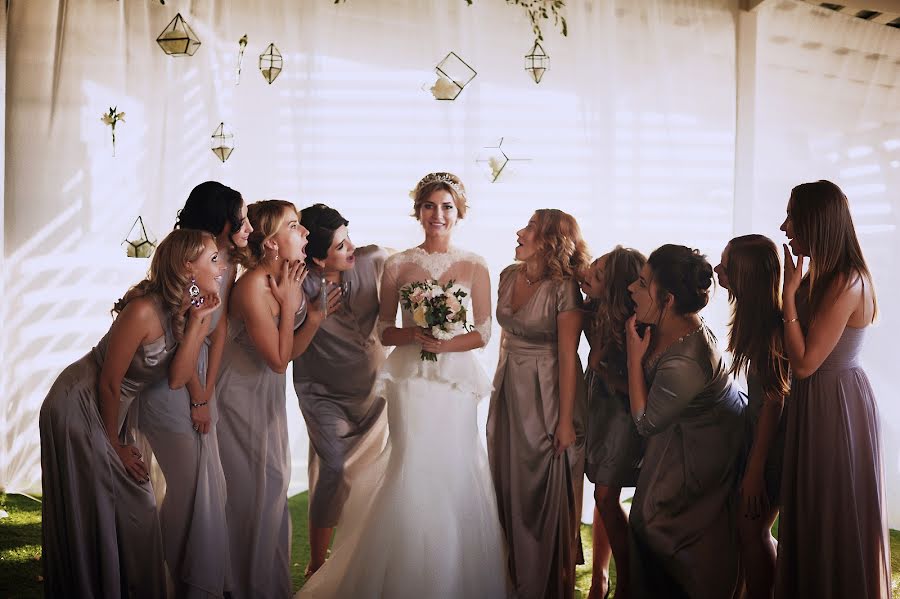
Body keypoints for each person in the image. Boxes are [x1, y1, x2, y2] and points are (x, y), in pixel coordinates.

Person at [297, 172, 508, 598]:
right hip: (410, 381)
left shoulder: (476, 264)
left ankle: (453, 576)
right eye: (430, 205)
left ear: (459, 213)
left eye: (447, 206)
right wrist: (413, 335)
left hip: (453, 384)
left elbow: (484, 332)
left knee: (455, 468)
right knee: (411, 466)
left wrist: (445, 342)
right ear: (418, 211)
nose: (438, 214)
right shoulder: (396, 264)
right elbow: (384, 329)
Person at [40, 229, 222, 598]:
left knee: (132, 505)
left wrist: (201, 320)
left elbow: (177, 378)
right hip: (78, 403)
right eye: (213, 259)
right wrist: (115, 444)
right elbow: (109, 381)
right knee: (115, 502)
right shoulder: (143, 310)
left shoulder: (182, 309)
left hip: (109, 411)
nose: (219, 269)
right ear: (188, 265)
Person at [216, 200, 337, 599]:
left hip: (265, 396)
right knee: (250, 492)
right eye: (294, 226)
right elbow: (278, 360)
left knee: (273, 485)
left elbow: (288, 350)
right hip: (236, 397)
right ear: (269, 243)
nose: (304, 233)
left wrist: (313, 318)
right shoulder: (252, 286)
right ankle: (238, 585)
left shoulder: (289, 276)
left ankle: (267, 585)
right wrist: (288, 305)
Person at [138, 181, 252, 598]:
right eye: (240, 215)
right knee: (188, 488)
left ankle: (191, 576)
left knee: (204, 487)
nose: (246, 224)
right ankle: (161, 576)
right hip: (173, 376)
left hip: (200, 375)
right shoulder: (190, 258)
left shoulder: (225, 262)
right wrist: (199, 396)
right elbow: (182, 334)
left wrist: (210, 388)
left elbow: (218, 330)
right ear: (222, 217)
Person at [775, 180, 889, 599]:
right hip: (816, 401)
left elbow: (804, 364)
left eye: (793, 217)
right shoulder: (823, 277)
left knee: (831, 508)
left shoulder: (847, 282)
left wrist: (788, 296)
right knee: (810, 509)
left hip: (837, 405)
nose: (785, 226)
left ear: (816, 222)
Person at [625, 244, 745, 599]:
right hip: (679, 434)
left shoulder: (686, 362)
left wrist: (634, 361)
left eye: (643, 283)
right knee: (644, 519)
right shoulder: (667, 323)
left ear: (668, 299)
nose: (632, 288)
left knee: (656, 524)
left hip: (707, 445)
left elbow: (646, 423)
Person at [487, 208, 590, 599]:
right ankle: (513, 576)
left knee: (545, 485)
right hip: (510, 387)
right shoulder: (508, 276)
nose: (518, 231)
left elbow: (568, 355)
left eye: (529, 227)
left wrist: (565, 420)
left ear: (549, 240)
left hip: (549, 390)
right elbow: (504, 339)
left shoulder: (563, 288)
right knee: (509, 479)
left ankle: (548, 582)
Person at [292, 203, 389, 576]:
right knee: (332, 468)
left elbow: (410, 274)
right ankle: (317, 562)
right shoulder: (298, 283)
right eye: (339, 246)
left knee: (374, 474)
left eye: (349, 238)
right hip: (322, 394)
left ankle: (363, 555)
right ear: (317, 258)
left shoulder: (373, 260)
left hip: (372, 391)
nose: (352, 249)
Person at [714, 234, 789, 599]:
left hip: (770, 448)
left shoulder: (771, 332)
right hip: (759, 439)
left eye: (725, 267)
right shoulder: (755, 322)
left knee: (753, 530)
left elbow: (774, 404)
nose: (716, 270)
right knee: (749, 530)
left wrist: (756, 470)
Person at [579, 247, 646, 599]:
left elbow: (641, 381)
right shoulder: (593, 308)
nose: (590, 275)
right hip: (599, 408)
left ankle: (630, 579)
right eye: (593, 267)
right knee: (602, 492)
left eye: (600, 274)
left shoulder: (633, 322)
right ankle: (599, 578)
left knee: (606, 494)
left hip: (623, 413)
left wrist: (602, 366)